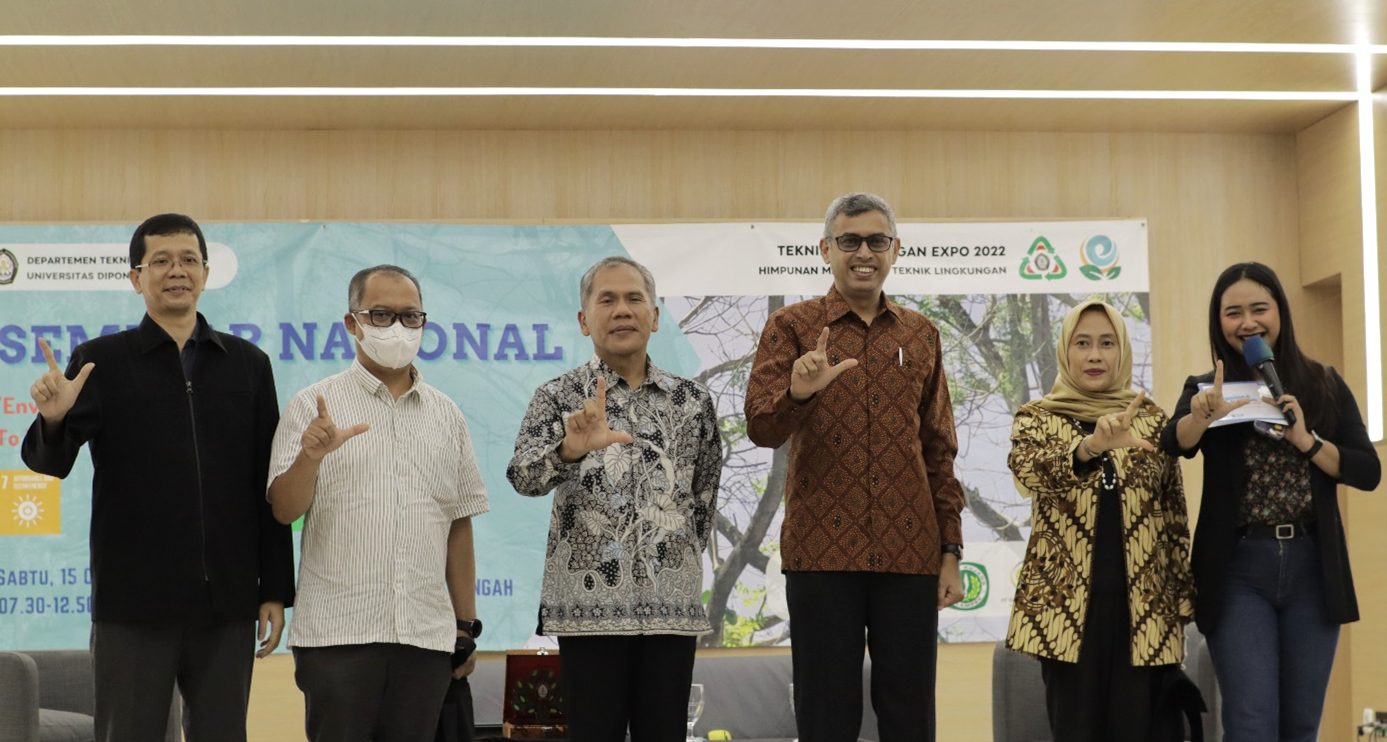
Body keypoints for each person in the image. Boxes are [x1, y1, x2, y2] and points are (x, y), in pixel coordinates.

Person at [21, 213, 294, 742]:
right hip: (134, 603)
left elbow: (267, 482)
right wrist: (53, 419)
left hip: (228, 600)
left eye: (189, 260)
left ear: (205, 273)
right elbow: (50, 462)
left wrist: (275, 589)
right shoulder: (100, 362)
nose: (177, 271)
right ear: (136, 277)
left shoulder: (247, 364)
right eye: (161, 261)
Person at [744, 192, 965, 742]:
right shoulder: (791, 326)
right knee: (826, 717)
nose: (864, 252)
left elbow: (939, 449)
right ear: (826, 249)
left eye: (876, 241)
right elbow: (761, 428)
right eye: (849, 241)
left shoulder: (921, 333)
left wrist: (950, 551)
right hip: (821, 554)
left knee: (910, 716)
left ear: (895, 249)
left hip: (911, 554)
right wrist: (798, 392)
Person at [267, 265, 489, 742]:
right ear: (352, 323)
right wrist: (310, 457)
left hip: (425, 638)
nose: (397, 328)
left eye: (410, 316)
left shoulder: (446, 414)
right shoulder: (312, 405)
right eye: (381, 315)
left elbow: (458, 524)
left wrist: (465, 625)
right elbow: (283, 510)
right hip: (337, 638)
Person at [1160, 262, 1380, 742]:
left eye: (1259, 309)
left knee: (1300, 726)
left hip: (1312, 568)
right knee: (1251, 723)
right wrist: (1201, 416)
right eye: (1233, 313)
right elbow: (1173, 442)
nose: (1247, 323)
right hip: (1238, 570)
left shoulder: (1323, 382)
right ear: (1218, 322)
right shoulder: (1207, 389)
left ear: (1280, 312)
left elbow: (1367, 471)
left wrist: (1308, 442)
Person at [507, 256, 722, 742]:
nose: (622, 310)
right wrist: (568, 450)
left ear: (655, 316)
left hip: (670, 610)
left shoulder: (693, 401)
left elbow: (703, 497)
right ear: (584, 321)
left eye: (633, 298)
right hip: (588, 612)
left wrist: (673, 558)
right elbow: (522, 477)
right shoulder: (558, 396)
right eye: (607, 300)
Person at [1006, 300, 1195, 742]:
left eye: (1107, 343)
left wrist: (1183, 608)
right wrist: (1089, 448)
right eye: (1083, 343)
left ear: (1122, 351)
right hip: (1065, 615)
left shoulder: (1151, 420)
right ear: (1065, 351)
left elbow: (1174, 516)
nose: (1095, 355)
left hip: (1146, 614)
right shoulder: (1037, 417)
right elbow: (1029, 472)